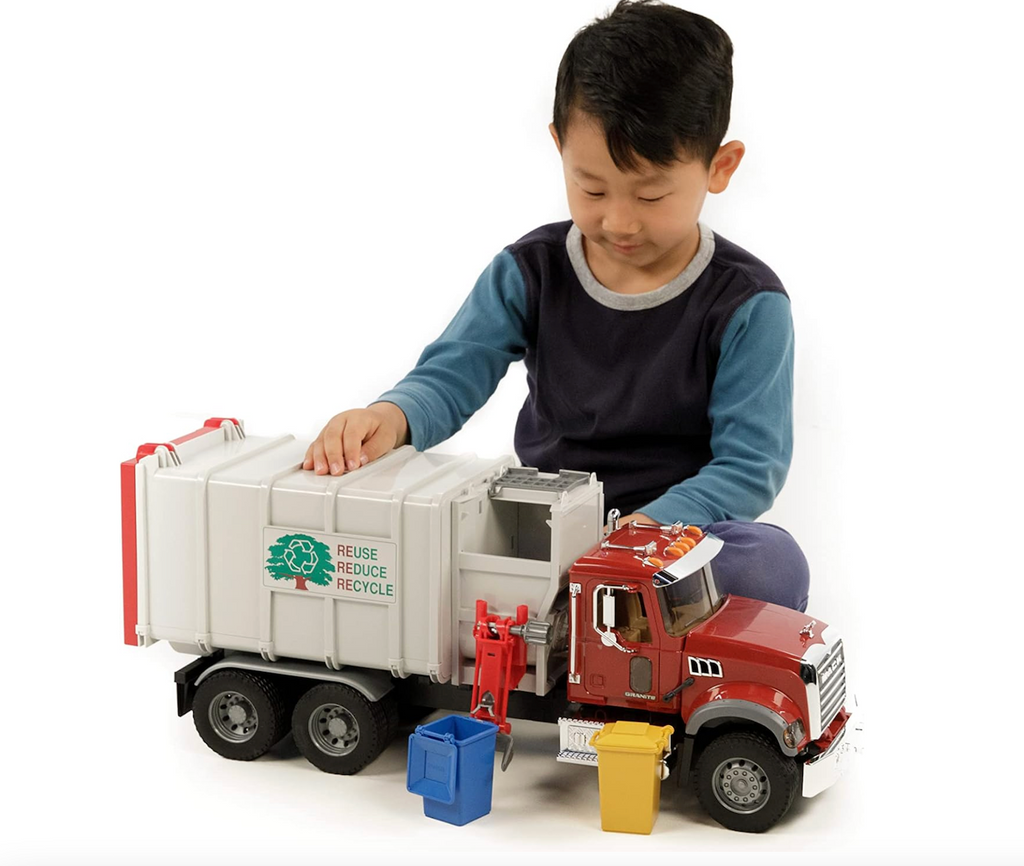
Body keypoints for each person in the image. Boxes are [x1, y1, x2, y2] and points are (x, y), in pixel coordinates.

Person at [303, 1, 809, 612]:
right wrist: (393, 414)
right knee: (429, 538)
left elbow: (749, 466)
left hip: (672, 540)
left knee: (773, 564)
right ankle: (556, 622)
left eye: (651, 194)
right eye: (591, 188)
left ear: (719, 168)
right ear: (558, 147)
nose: (618, 219)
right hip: (541, 521)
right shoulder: (532, 269)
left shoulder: (748, 303)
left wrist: (647, 531)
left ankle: (595, 621)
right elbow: (453, 372)